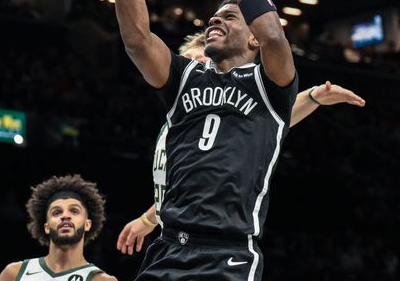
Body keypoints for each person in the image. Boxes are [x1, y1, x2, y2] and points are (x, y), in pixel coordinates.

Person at [105, 0, 299, 281]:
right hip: (167, 248)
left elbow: (274, 33)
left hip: (225, 256)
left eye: (229, 16)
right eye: (213, 16)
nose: (215, 20)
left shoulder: (271, 86)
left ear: (252, 37)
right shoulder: (184, 77)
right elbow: (136, 38)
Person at [117, 32, 365, 254]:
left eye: (201, 63)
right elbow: (182, 187)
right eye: (187, 62)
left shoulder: (215, 115)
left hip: (209, 244)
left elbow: (266, 121)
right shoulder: (178, 120)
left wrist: (312, 97)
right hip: (171, 239)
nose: (193, 68)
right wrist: (149, 219)